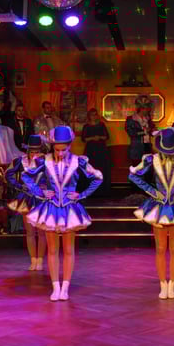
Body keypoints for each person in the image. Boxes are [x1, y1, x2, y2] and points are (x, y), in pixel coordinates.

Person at [22, 126, 103, 301]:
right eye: (57, 149)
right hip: (50, 208)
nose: (60, 153)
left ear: (70, 146)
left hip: (69, 209)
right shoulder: (44, 161)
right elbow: (26, 176)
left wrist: (82, 194)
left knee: (68, 249)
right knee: (52, 250)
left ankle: (65, 287)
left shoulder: (78, 161)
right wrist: (40, 192)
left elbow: (98, 177)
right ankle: (55, 287)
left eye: (63, 149)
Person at [129, 127, 174, 300]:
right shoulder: (151, 159)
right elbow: (133, 176)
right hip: (159, 207)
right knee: (161, 248)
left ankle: (172, 284)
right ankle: (163, 284)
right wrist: (152, 191)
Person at [6, 135, 47, 271]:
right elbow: (8, 174)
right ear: (28, 150)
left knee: (41, 232)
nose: (34, 153)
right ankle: (33, 260)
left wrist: (46, 187)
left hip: (41, 198)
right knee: (30, 231)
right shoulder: (21, 161)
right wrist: (19, 186)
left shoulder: (47, 161)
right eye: (32, 151)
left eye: (37, 151)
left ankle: (40, 260)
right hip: (27, 197)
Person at [81, 108, 111, 197]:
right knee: (91, 169)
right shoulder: (86, 126)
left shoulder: (102, 125)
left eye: (95, 114)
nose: (94, 116)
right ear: (89, 116)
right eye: (92, 115)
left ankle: (103, 190)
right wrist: (92, 138)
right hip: (90, 151)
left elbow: (107, 137)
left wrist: (100, 137)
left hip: (101, 150)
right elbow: (83, 139)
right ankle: (91, 190)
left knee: (102, 168)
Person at [125, 95, 155, 166]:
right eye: (148, 108)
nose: (149, 110)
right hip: (137, 148)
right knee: (137, 168)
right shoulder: (131, 119)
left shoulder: (148, 119)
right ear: (142, 108)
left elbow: (151, 130)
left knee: (148, 169)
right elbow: (131, 133)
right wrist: (145, 131)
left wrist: (154, 131)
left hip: (147, 147)